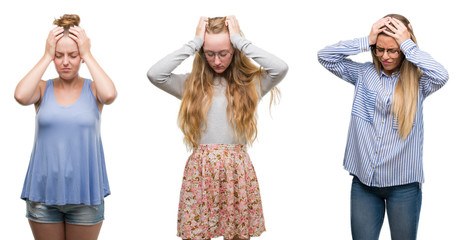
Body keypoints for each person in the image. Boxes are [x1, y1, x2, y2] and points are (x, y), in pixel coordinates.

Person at [147, 16, 288, 240]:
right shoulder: (191, 85)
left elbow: (280, 68)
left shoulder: (250, 85)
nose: (217, 61)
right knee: (196, 234)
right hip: (200, 173)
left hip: (236, 172)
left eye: (224, 53)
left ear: (234, 50)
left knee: (237, 235)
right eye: (209, 53)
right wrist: (194, 43)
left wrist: (240, 41)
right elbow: (155, 74)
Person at [318, 14, 448, 240]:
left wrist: (408, 44)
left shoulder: (419, 83)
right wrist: (367, 39)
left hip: (404, 187)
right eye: (379, 49)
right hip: (364, 184)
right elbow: (325, 57)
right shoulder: (363, 74)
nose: (384, 56)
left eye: (393, 50)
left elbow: (442, 75)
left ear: (404, 51)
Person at [14, 14, 117, 240]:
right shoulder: (42, 89)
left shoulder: (94, 90)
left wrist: (88, 53)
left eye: (73, 55)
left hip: (85, 197)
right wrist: (46, 55)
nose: (66, 61)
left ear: (81, 57)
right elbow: (20, 96)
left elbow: (109, 95)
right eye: (59, 56)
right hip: (42, 196)